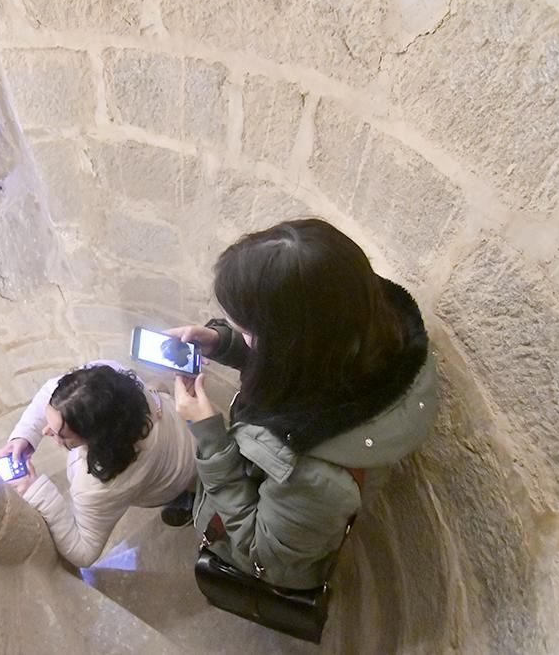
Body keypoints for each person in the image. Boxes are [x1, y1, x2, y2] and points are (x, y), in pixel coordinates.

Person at [169, 218, 437, 590]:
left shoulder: (320, 478)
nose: (243, 338)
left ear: (290, 344)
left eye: (248, 332)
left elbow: (260, 554)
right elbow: (299, 365)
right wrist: (221, 342)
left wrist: (211, 438)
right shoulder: (358, 325)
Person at [0, 361, 197, 568]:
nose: (44, 431)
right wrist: (24, 438)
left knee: (175, 491)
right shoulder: (109, 380)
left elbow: (84, 553)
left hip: (174, 481)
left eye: (62, 435)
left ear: (96, 438)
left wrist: (36, 491)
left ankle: (187, 502)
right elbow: (53, 393)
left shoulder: (100, 486)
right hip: (184, 432)